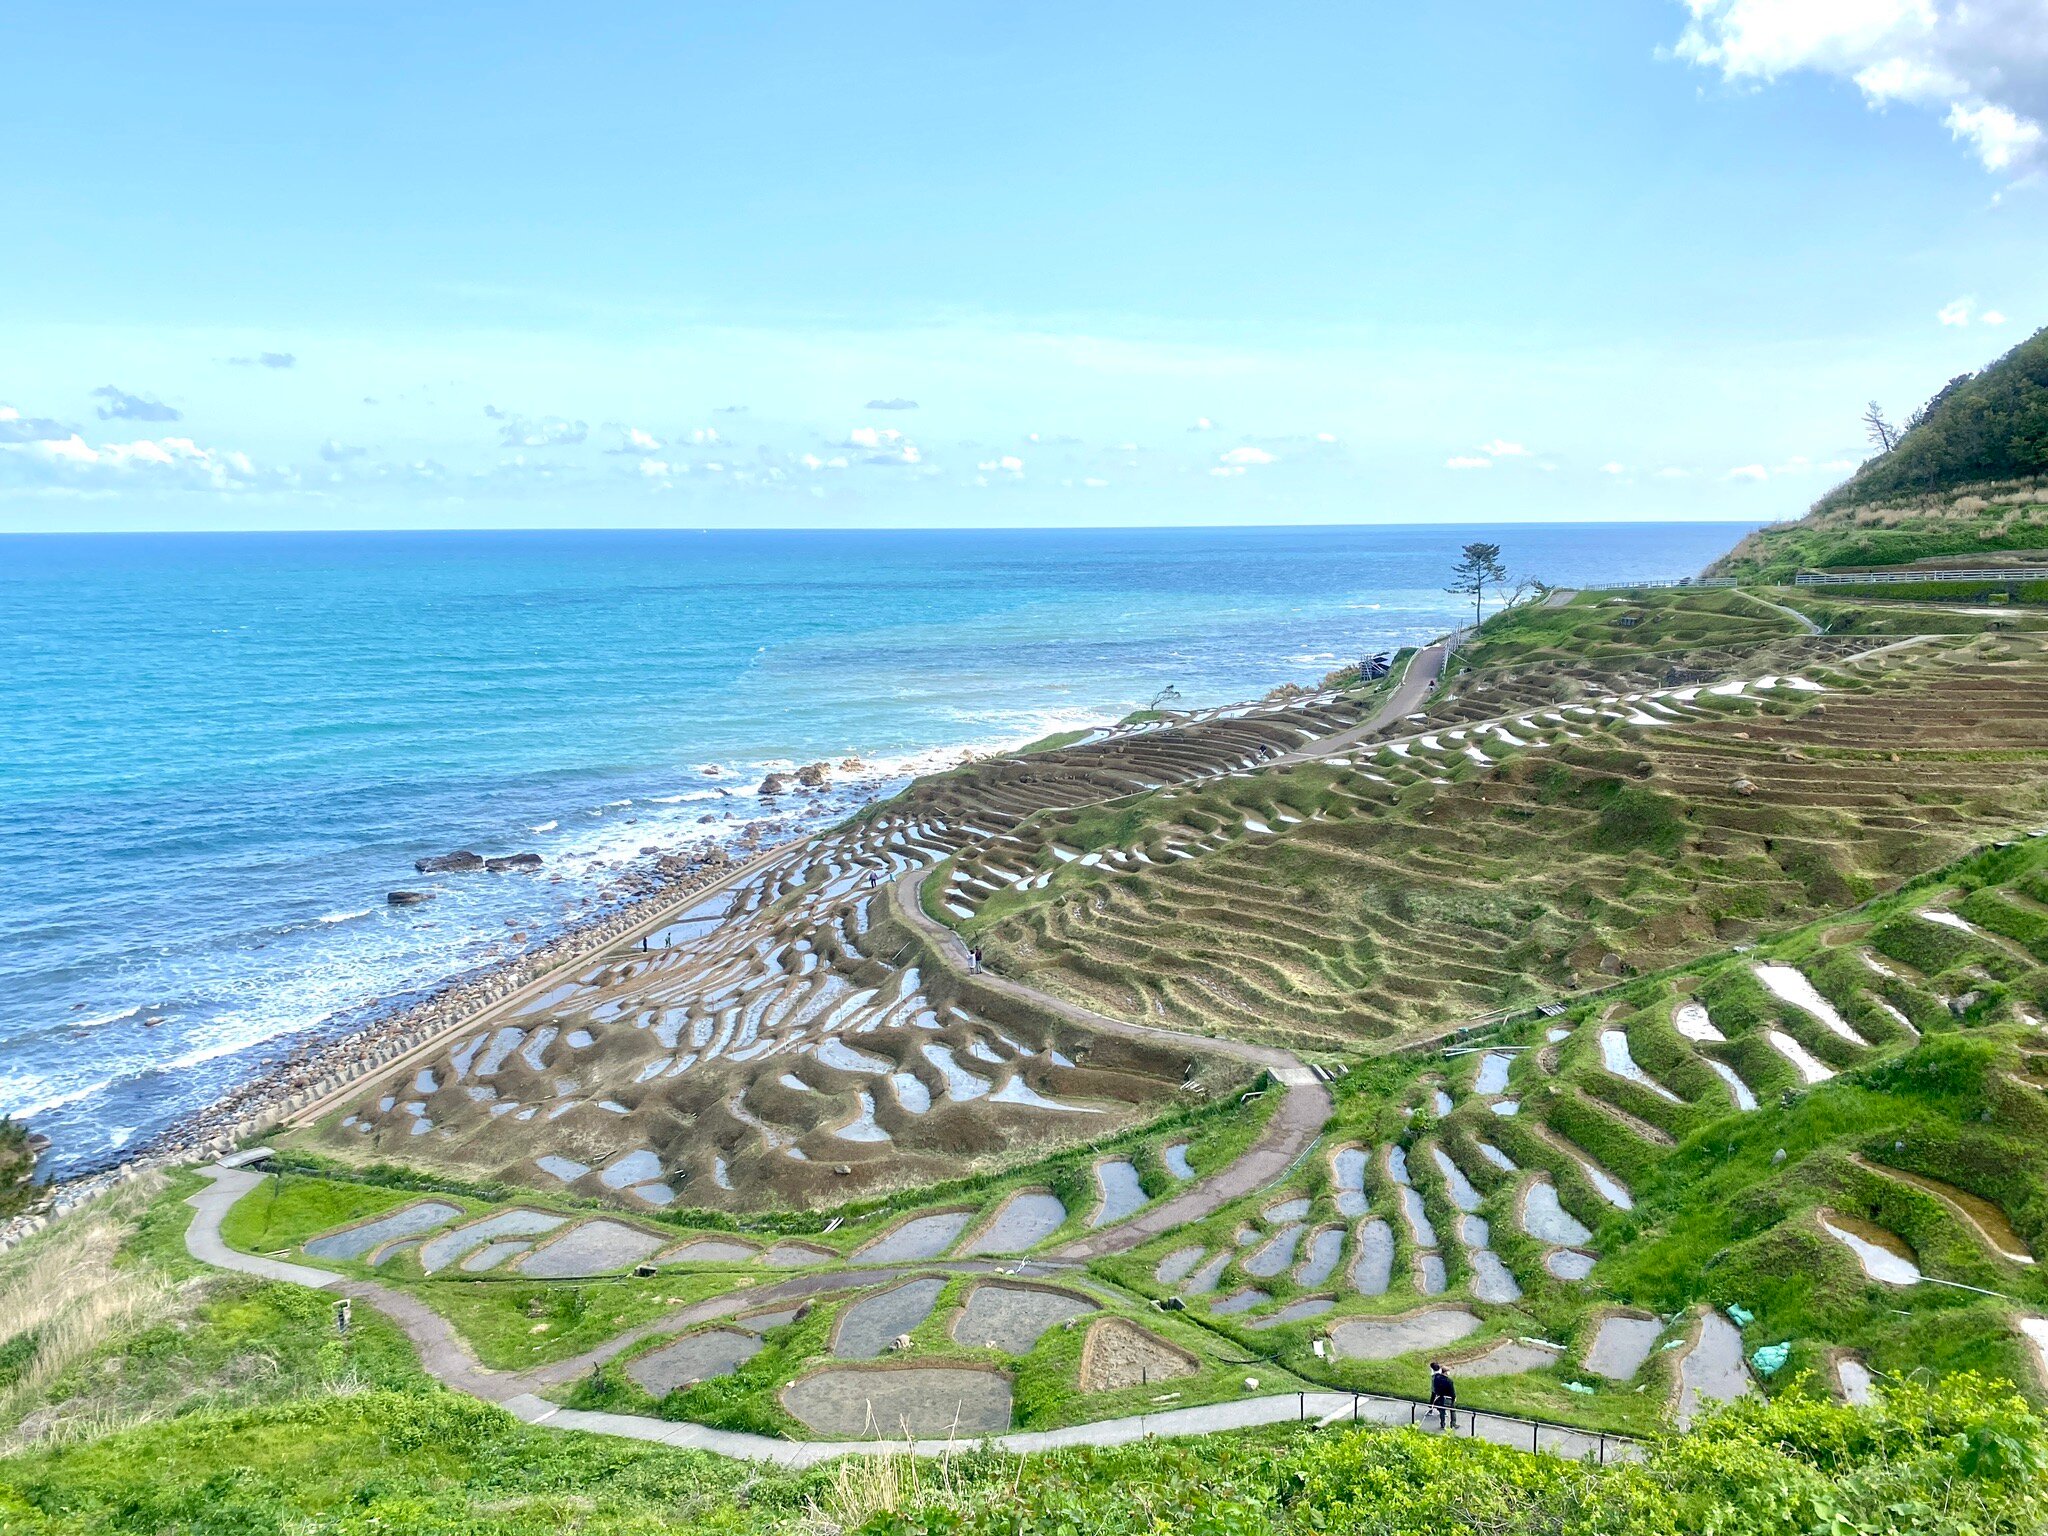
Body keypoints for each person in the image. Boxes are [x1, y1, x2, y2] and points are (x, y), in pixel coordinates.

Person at [1428, 1360, 1457, 1430]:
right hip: (1448, 1398)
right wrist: (1454, 1398)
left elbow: (1435, 1388)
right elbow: (1452, 1391)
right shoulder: (1449, 1381)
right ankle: (1453, 1424)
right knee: (1452, 1410)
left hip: (1440, 1397)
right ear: (1446, 1372)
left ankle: (1442, 1424)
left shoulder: (1436, 1379)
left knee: (1442, 1411)